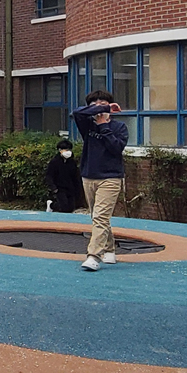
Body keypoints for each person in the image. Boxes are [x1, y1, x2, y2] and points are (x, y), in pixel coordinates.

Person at [72, 91, 129, 272]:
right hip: (89, 176)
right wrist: (100, 109)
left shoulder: (119, 127)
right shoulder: (87, 125)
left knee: (100, 217)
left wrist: (104, 125)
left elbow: (116, 148)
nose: (98, 109)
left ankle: (94, 256)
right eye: (94, 106)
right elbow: (77, 112)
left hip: (111, 177)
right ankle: (110, 249)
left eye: (102, 104)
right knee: (96, 216)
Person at [47, 138, 84, 213]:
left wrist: (78, 190)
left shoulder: (72, 162)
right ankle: (51, 205)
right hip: (59, 188)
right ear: (60, 150)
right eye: (65, 150)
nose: (68, 152)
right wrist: (54, 188)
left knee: (71, 208)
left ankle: (53, 206)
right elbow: (49, 175)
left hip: (70, 188)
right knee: (64, 207)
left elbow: (76, 177)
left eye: (69, 150)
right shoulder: (54, 162)